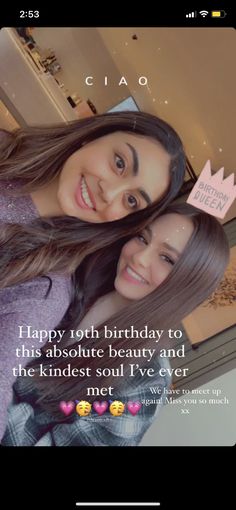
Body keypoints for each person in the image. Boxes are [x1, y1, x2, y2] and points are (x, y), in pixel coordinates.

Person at [0, 111, 186, 439]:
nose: (109, 194)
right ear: (95, 134)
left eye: (130, 200)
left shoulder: (45, 286)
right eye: (119, 163)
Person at [1, 204, 229, 446]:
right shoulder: (71, 274)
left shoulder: (146, 380)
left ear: (187, 285)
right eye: (143, 237)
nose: (140, 257)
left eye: (167, 258)